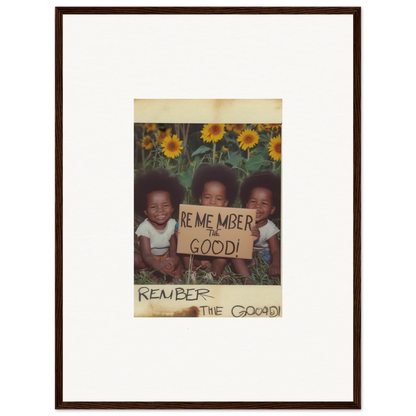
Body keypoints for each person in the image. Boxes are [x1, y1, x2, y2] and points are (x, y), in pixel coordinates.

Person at [180, 163, 239, 280]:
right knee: (185, 252)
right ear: (200, 199)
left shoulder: (229, 220)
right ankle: (191, 273)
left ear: (226, 203)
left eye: (218, 199)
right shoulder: (192, 216)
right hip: (197, 258)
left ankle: (213, 275)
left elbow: (234, 240)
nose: (212, 202)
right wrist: (179, 233)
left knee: (223, 256)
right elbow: (182, 230)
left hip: (216, 259)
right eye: (207, 197)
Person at [134, 169, 185, 281]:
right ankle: (148, 271)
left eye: (165, 205)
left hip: (166, 256)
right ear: (145, 211)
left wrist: (172, 261)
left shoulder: (172, 224)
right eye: (153, 207)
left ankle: (177, 280)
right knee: (134, 258)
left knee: (179, 259)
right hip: (149, 258)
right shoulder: (145, 228)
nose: (160, 211)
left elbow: (173, 249)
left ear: (173, 208)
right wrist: (157, 265)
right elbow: (146, 254)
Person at [233, 171, 281, 281]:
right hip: (247, 252)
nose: (257, 206)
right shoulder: (240, 222)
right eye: (253, 201)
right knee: (235, 256)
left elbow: (275, 250)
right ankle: (248, 281)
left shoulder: (270, 228)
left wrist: (276, 264)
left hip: (264, 255)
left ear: (272, 209)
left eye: (264, 203)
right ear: (246, 205)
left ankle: (251, 267)